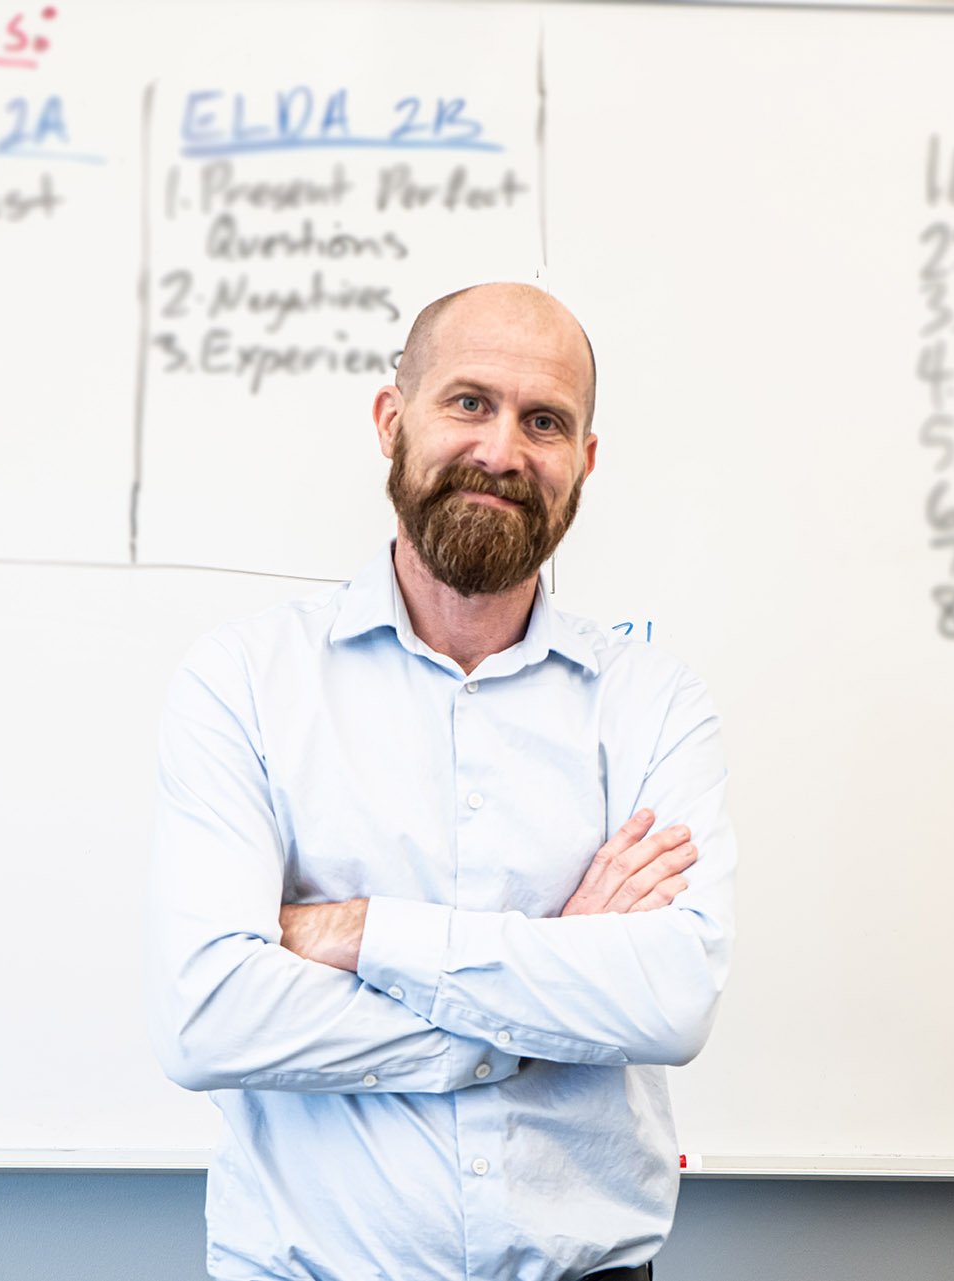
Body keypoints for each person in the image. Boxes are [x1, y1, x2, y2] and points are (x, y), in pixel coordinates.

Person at [146, 282, 737, 1281]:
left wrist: (362, 930)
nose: (502, 451)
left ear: (584, 461)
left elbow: (671, 1003)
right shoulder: (245, 682)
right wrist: (545, 989)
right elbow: (208, 1019)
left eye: (543, 421)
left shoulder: (654, 706)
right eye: (469, 402)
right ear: (392, 420)